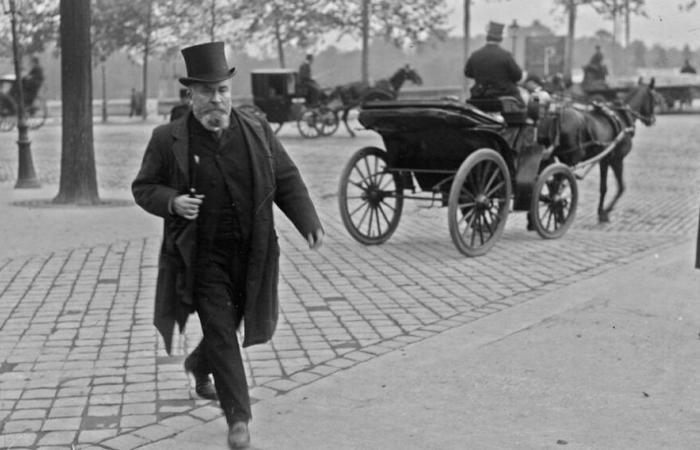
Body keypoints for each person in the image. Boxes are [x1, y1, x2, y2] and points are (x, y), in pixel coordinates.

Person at [132, 41, 324, 449]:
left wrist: (308, 220)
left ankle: (196, 364)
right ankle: (239, 417)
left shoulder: (256, 129)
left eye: (222, 91)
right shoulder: (168, 139)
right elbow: (144, 187)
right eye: (207, 92)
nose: (216, 100)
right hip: (200, 255)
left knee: (233, 322)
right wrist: (173, 201)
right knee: (220, 328)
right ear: (191, 96)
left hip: (252, 251)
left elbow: (286, 177)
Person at [464, 21, 523, 103]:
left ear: (487, 37)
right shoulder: (505, 55)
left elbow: (468, 73)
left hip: (480, 95)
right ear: (500, 38)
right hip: (504, 95)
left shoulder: (475, 55)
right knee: (521, 107)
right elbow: (517, 76)